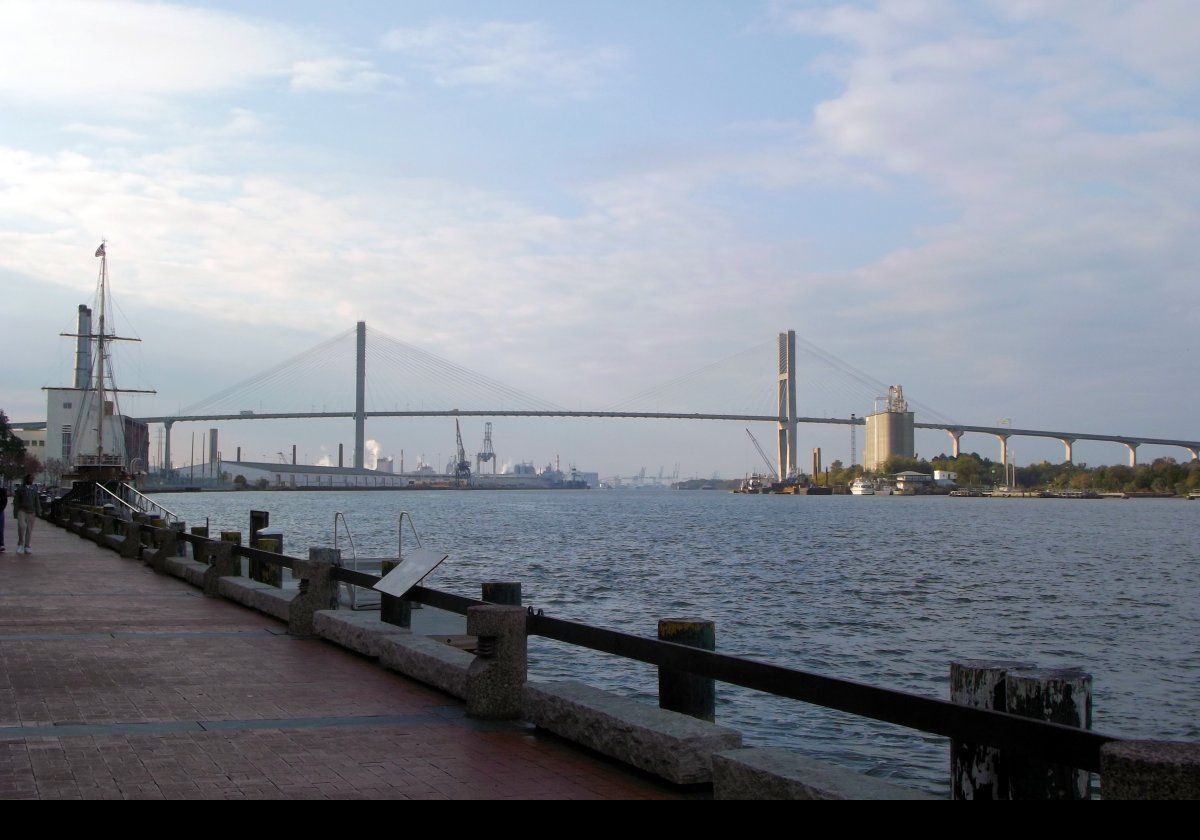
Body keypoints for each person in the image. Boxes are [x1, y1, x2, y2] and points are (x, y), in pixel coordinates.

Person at [13, 474, 39, 554]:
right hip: (22, 510)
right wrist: (15, 512)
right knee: (22, 526)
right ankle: (20, 544)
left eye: (33, 479)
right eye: (30, 478)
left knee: (29, 529)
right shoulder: (20, 488)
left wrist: (38, 510)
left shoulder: (34, 488)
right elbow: (16, 501)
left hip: (31, 511)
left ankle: (27, 546)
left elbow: (36, 500)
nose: (32, 480)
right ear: (26, 479)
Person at [0, 484, 7, 552]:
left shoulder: (2, 491)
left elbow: (5, 500)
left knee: (0, 528)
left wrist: (2, 508)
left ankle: (1, 544)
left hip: (0, 511)